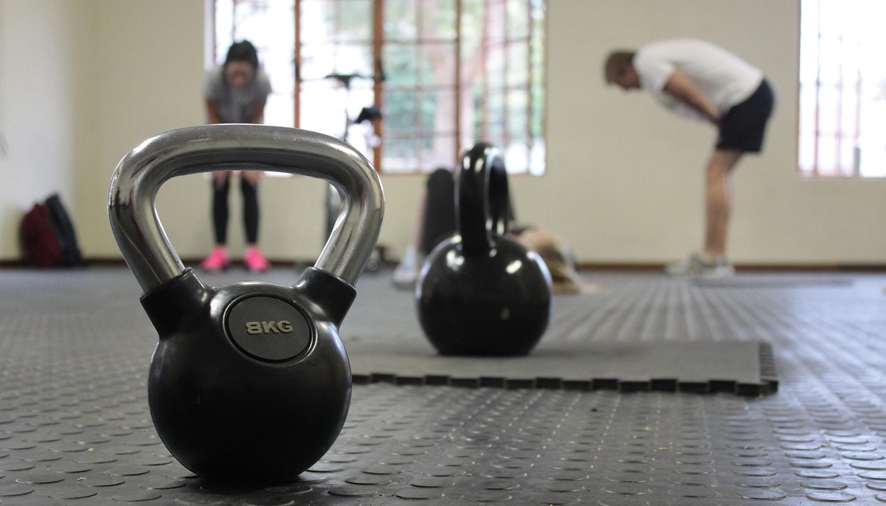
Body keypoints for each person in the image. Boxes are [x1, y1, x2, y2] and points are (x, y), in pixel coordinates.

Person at [604, 39, 775, 278]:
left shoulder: (645, 61)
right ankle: (716, 256)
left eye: (619, 82)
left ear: (626, 68)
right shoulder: (651, 68)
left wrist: (715, 116)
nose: (624, 90)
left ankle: (712, 257)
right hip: (751, 95)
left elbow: (686, 91)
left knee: (715, 171)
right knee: (719, 172)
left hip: (746, 96)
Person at [393, 168, 584, 294]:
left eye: (538, 235)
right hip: (490, 231)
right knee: (492, 175)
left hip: (451, 245)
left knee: (440, 177)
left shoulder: (515, 259)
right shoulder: (547, 250)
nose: (539, 230)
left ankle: (413, 257)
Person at [200, 40, 273, 272]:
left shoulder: (262, 82)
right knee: (219, 185)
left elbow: (256, 119)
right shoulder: (213, 79)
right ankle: (219, 251)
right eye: (234, 74)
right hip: (218, 132)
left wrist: (251, 161)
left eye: (244, 75)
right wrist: (220, 159)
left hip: (249, 132)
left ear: (253, 72)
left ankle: (252, 251)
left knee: (250, 184)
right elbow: (212, 118)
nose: (238, 80)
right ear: (226, 69)